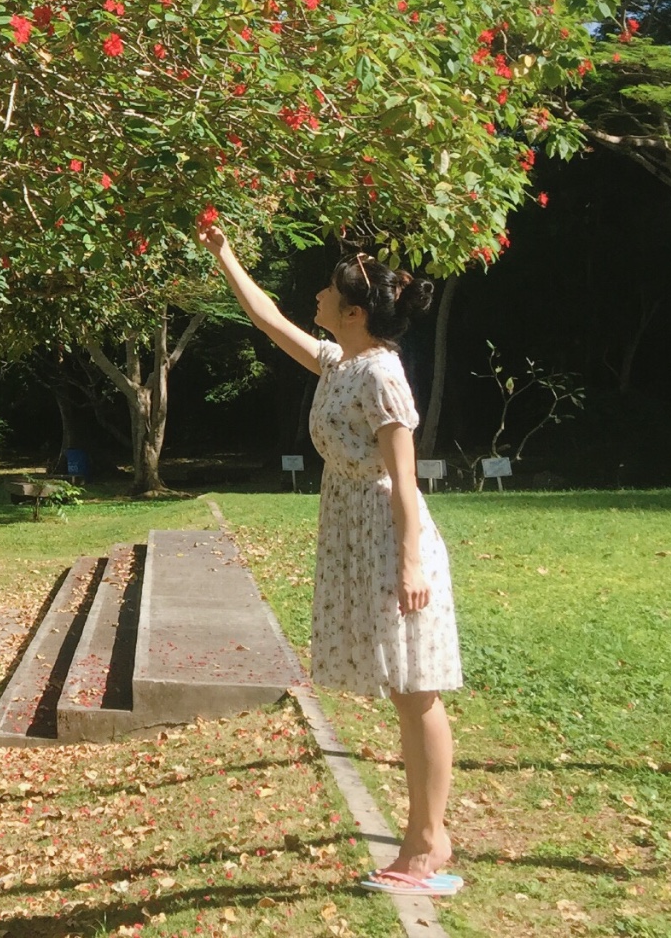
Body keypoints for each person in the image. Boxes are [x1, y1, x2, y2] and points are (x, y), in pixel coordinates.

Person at [197, 222, 464, 898]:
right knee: (405, 688)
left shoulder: (380, 372)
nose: (316, 294)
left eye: (329, 289)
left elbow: (403, 478)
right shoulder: (338, 361)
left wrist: (409, 563)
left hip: (387, 534)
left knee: (415, 687)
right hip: (354, 531)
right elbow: (267, 318)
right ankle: (426, 835)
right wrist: (223, 254)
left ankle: (427, 840)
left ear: (354, 312)